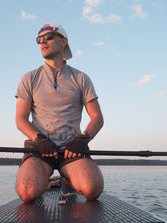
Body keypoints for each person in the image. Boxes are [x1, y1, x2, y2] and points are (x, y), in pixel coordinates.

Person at [15, 23, 104, 203]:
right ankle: (44, 179)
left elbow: (97, 118)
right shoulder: (29, 78)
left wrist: (83, 140)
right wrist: (40, 139)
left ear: (64, 42)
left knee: (92, 189)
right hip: (40, 148)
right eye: (39, 39)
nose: (43, 42)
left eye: (48, 37)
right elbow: (20, 119)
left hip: (71, 148)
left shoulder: (81, 78)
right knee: (27, 192)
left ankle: (67, 177)